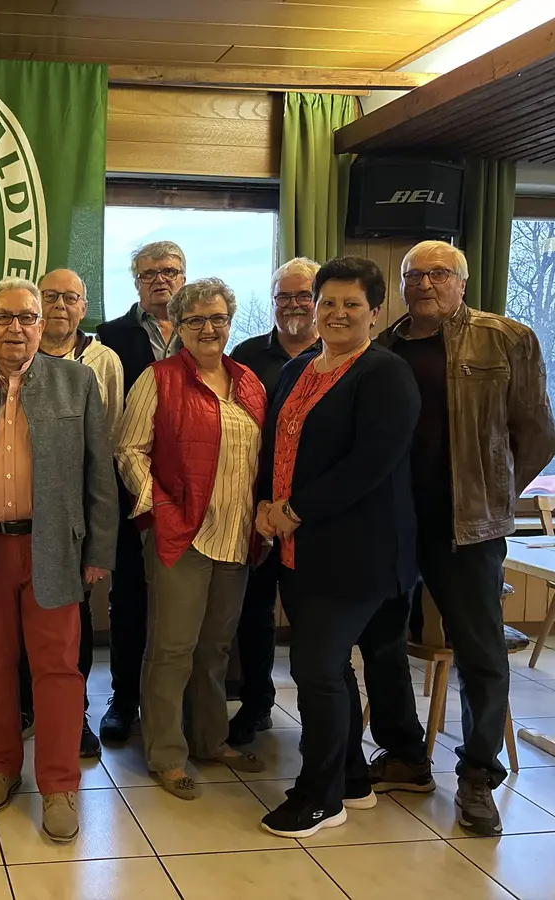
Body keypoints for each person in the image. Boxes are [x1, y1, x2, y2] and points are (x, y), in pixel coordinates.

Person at [359, 240, 555, 837]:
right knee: (382, 642)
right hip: (395, 523)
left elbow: (538, 433)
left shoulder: (506, 339)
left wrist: (495, 493)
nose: (424, 284)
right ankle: (403, 754)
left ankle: (477, 776)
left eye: (438, 274)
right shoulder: (382, 346)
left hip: (468, 526)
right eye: (413, 275)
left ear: (462, 282)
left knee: (480, 652)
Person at [0, 278, 116, 841]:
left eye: (27, 317)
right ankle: (2, 768)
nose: (17, 328)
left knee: (58, 668)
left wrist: (98, 550)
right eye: (4, 317)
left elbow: (99, 473)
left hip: (54, 548)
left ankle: (58, 785)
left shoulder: (77, 382)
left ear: (43, 325)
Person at [254, 257, 420, 838]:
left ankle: (319, 796)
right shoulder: (298, 369)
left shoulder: (385, 374)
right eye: (328, 302)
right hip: (300, 551)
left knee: (316, 667)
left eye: (352, 304)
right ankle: (350, 778)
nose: (337, 313)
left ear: (376, 312)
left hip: (358, 552)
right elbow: (275, 446)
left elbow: (369, 464)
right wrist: (266, 505)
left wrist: (294, 510)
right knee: (330, 669)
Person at [117, 277, 268, 798]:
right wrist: (158, 509)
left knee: (215, 649)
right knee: (172, 649)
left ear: (230, 323)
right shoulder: (158, 379)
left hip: (236, 537)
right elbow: (129, 450)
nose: (208, 328)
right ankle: (166, 754)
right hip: (181, 536)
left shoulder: (249, 382)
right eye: (196, 320)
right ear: (178, 327)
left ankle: (210, 739)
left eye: (217, 318)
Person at [13, 267, 124, 757]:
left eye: (70, 297)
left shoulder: (104, 362)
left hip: (72, 519)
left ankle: (73, 715)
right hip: (17, 513)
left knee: (70, 623)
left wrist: (97, 533)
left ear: (84, 306)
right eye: (50, 296)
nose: (60, 305)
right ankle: (24, 708)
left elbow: (107, 445)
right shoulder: (9, 353)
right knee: (17, 623)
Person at [227, 257, 323, 746]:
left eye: (304, 295)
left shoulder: (341, 355)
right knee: (254, 614)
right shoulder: (246, 357)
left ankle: (318, 717)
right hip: (259, 508)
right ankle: (256, 703)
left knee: (313, 620)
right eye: (283, 296)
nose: (293, 305)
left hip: (320, 512)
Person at [94, 240, 186, 742]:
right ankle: (124, 699)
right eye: (149, 273)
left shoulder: (201, 330)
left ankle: (178, 703)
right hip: (129, 487)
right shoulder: (111, 337)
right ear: (135, 281)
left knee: (184, 601)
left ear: (183, 277)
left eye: (169, 271)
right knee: (129, 597)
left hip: (192, 489)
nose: (160, 280)